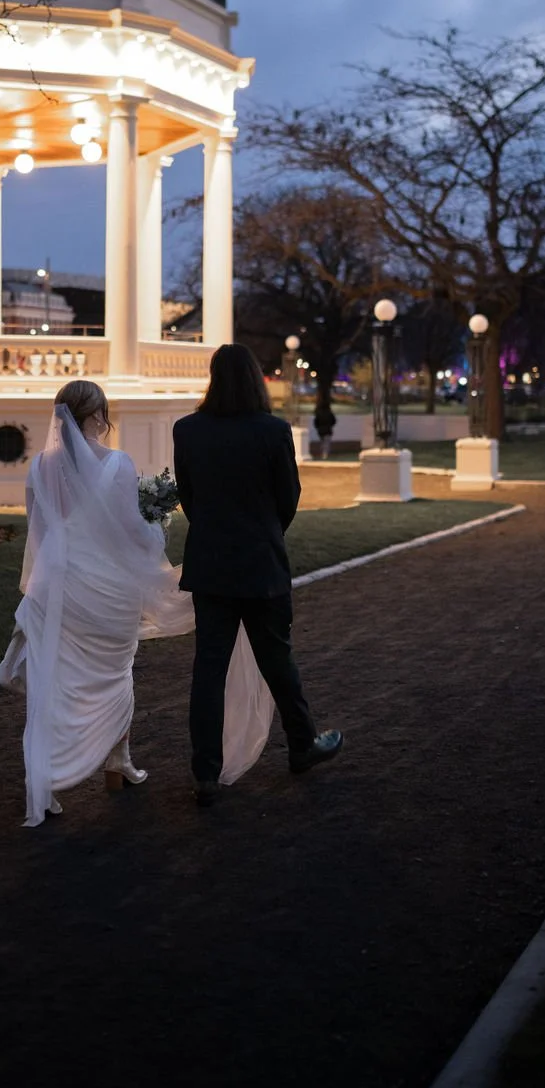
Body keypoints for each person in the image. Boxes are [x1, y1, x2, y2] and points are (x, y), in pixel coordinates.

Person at [0, 379, 273, 826]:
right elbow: (128, 533)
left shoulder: (39, 467)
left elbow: (40, 534)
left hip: (59, 588)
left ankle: (55, 778)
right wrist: (155, 530)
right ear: (97, 415)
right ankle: (115, 761)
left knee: (58, 684)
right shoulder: (117, 464)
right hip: (107, 590)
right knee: (118, 674)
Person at [173, 344, 345, 806]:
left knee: (208, 670)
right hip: (260, 563)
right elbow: (288, 497)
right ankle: (302, 745)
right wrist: (265, 531)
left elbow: (189, 497)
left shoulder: (187, 430)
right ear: (255, 379)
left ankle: (205, 772)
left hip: (210, 565)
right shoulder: (273, 431)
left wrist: (215, 531)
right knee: (277, 660)